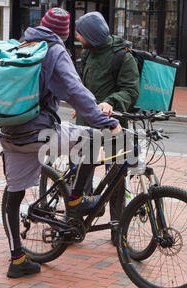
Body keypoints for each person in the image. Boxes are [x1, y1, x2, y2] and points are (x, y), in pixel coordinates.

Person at [0, 7, 122, 279]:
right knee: (92, 138)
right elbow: (75, 91)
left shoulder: (24, 44)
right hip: (38, 131)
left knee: (13, 194)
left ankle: (17, 260)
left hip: (11, 134)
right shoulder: (54, 51)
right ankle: (76, 201)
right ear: (64, 34)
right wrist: (106, 121)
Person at [73, 12, 140, 245]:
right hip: (87, 123)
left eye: (80, 32)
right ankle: (74, 224)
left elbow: (131, 90)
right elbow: (83, 84)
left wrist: (111, 102)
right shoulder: (88, 52)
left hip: (115, 126)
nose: (76, 35)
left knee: (117, 179)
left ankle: (117, 229)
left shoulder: (123, 56)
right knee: (82, 176)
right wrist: (80, 107)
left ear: (91, 35)